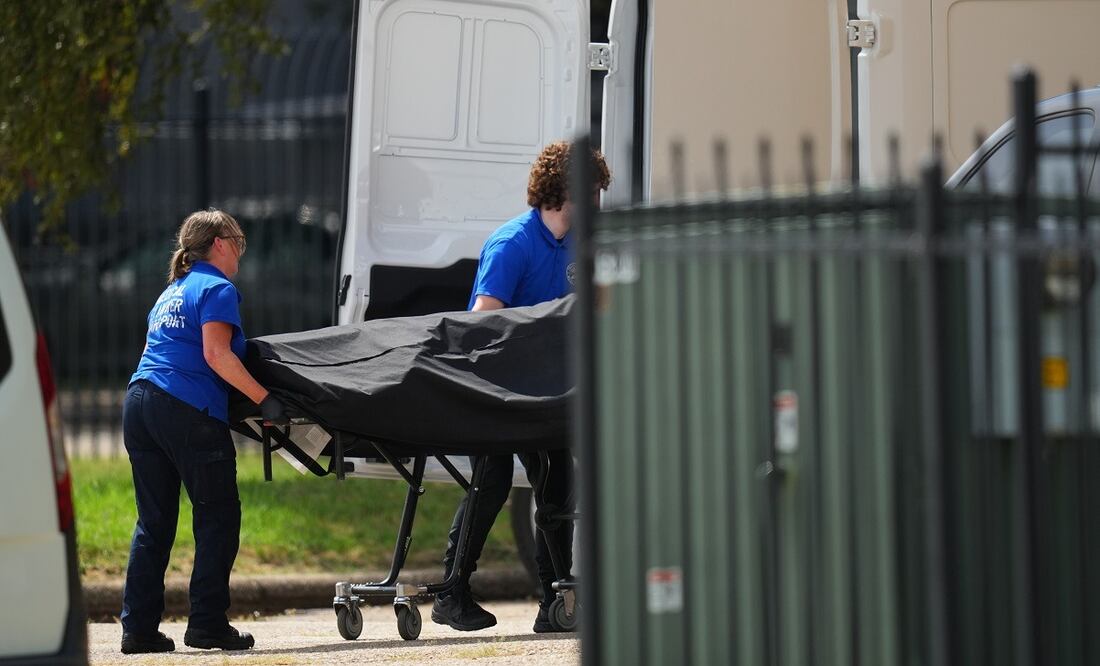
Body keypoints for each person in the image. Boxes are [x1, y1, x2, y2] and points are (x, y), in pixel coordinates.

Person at [431, 141, 611, 633]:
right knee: (489, 483)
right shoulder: (513, 243)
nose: (598, 202)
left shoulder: (580, 244)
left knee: (557, 486)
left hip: (547, 387)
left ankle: (556, 601)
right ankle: (452, 592)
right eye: (594, 191)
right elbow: (481, 321)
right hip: (498, 385)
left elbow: (600, 306)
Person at [119, 210, 288, 654]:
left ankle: (137, 629)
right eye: (238, 240)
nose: (241, 249)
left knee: (153, 524)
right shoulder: (217, 288)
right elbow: (216, 355)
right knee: (218, 517)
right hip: (186, 411)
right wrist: (265, 400)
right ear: (218, 243)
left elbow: (156, 353)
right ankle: (208, 624)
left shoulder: (170, 292)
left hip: (139, 404)